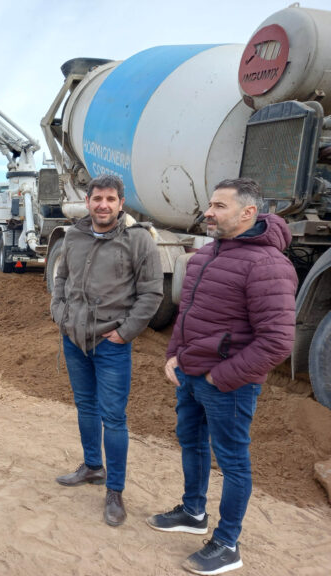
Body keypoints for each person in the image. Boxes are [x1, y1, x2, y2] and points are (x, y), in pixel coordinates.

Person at [147, 178, 297, 575]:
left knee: (232, 462)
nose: (208, 212)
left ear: (248, 213)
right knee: (191, 442)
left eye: (219, 206)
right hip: (191, 375)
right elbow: (188, 314)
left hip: (228, 384)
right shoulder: (205, 256)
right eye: (210, 205)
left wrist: (221, 377)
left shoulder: (267, 266)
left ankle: (228, 544)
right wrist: (173, 355)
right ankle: (193, 512)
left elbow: (277, 341)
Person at [50, 174, 163, 526]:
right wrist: (60, 313)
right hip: (74, 339)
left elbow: (152, 293)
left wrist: (125, 333)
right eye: (97, 198)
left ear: (120, 203)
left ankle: (114, 490)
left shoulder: (138, 240)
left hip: (111, 344)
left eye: (110, 199)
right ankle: (92, 467)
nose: (103, 205)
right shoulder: (74, 236)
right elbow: (61, 278)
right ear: (87, 202)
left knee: (113, 417)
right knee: (85, 406)